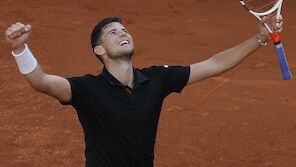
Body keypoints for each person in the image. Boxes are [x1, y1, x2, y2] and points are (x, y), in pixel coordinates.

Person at [5, 16, 283, 167]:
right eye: (113, 33)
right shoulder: (87, 89)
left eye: (124, 30)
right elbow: (41, 81)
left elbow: (213, 64)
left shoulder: (156, 79)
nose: (123, 33)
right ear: (99, 51)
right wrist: (20, 49)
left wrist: (259, 38)